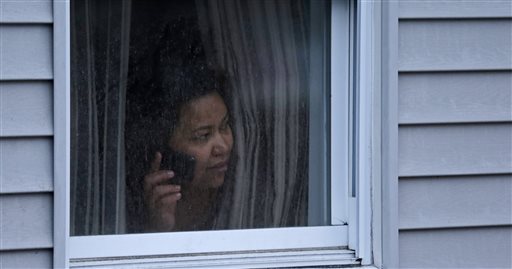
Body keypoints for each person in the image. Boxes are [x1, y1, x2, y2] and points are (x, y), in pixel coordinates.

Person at [138, 20, 234, 232]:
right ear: (166, 149)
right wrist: (158, 228)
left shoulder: (238, 196)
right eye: (203, 135)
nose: (223, 147)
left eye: (225, 126)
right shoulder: (142, 205)